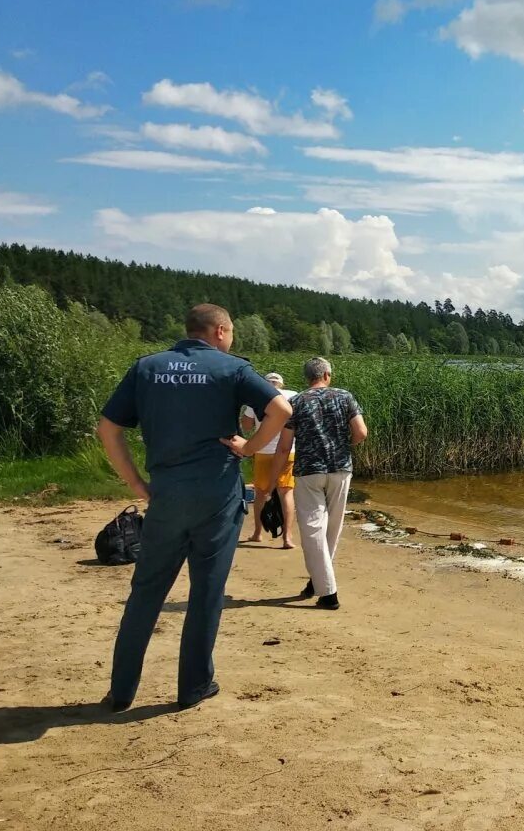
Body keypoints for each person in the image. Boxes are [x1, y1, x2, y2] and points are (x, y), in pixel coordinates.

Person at [97, 304, 291, 712]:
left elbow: (108, 428)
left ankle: (121, 691)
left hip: (167, 493)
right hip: (217, 496)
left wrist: (136, 484)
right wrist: (250, 447)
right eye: (232, 330)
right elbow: (282, 410)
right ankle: (193, 687)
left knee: (145, 592)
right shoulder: (232, 369)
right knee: (206, 592)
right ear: (220, 331)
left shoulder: (147, 367)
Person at [267, 356, 367, 611]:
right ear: (327, 375)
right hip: (340, 468)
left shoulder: (297, 402)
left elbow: (284, 446)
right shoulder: (345, 396)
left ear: (307, 377)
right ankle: (320, 583)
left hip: (309, 471)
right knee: (332, 528)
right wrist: (346, 445)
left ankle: (326, 591)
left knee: (313, 530)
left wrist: (271, 481)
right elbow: (361, 432)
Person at [242, 372, 298, 548]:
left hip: (263, 451)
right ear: (281, 384)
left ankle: (258, 533)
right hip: (289, 450)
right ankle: (287, 538)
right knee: (286, 492)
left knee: (261, 492)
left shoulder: (258, 396)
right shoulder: (294, 395)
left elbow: (246, 425)